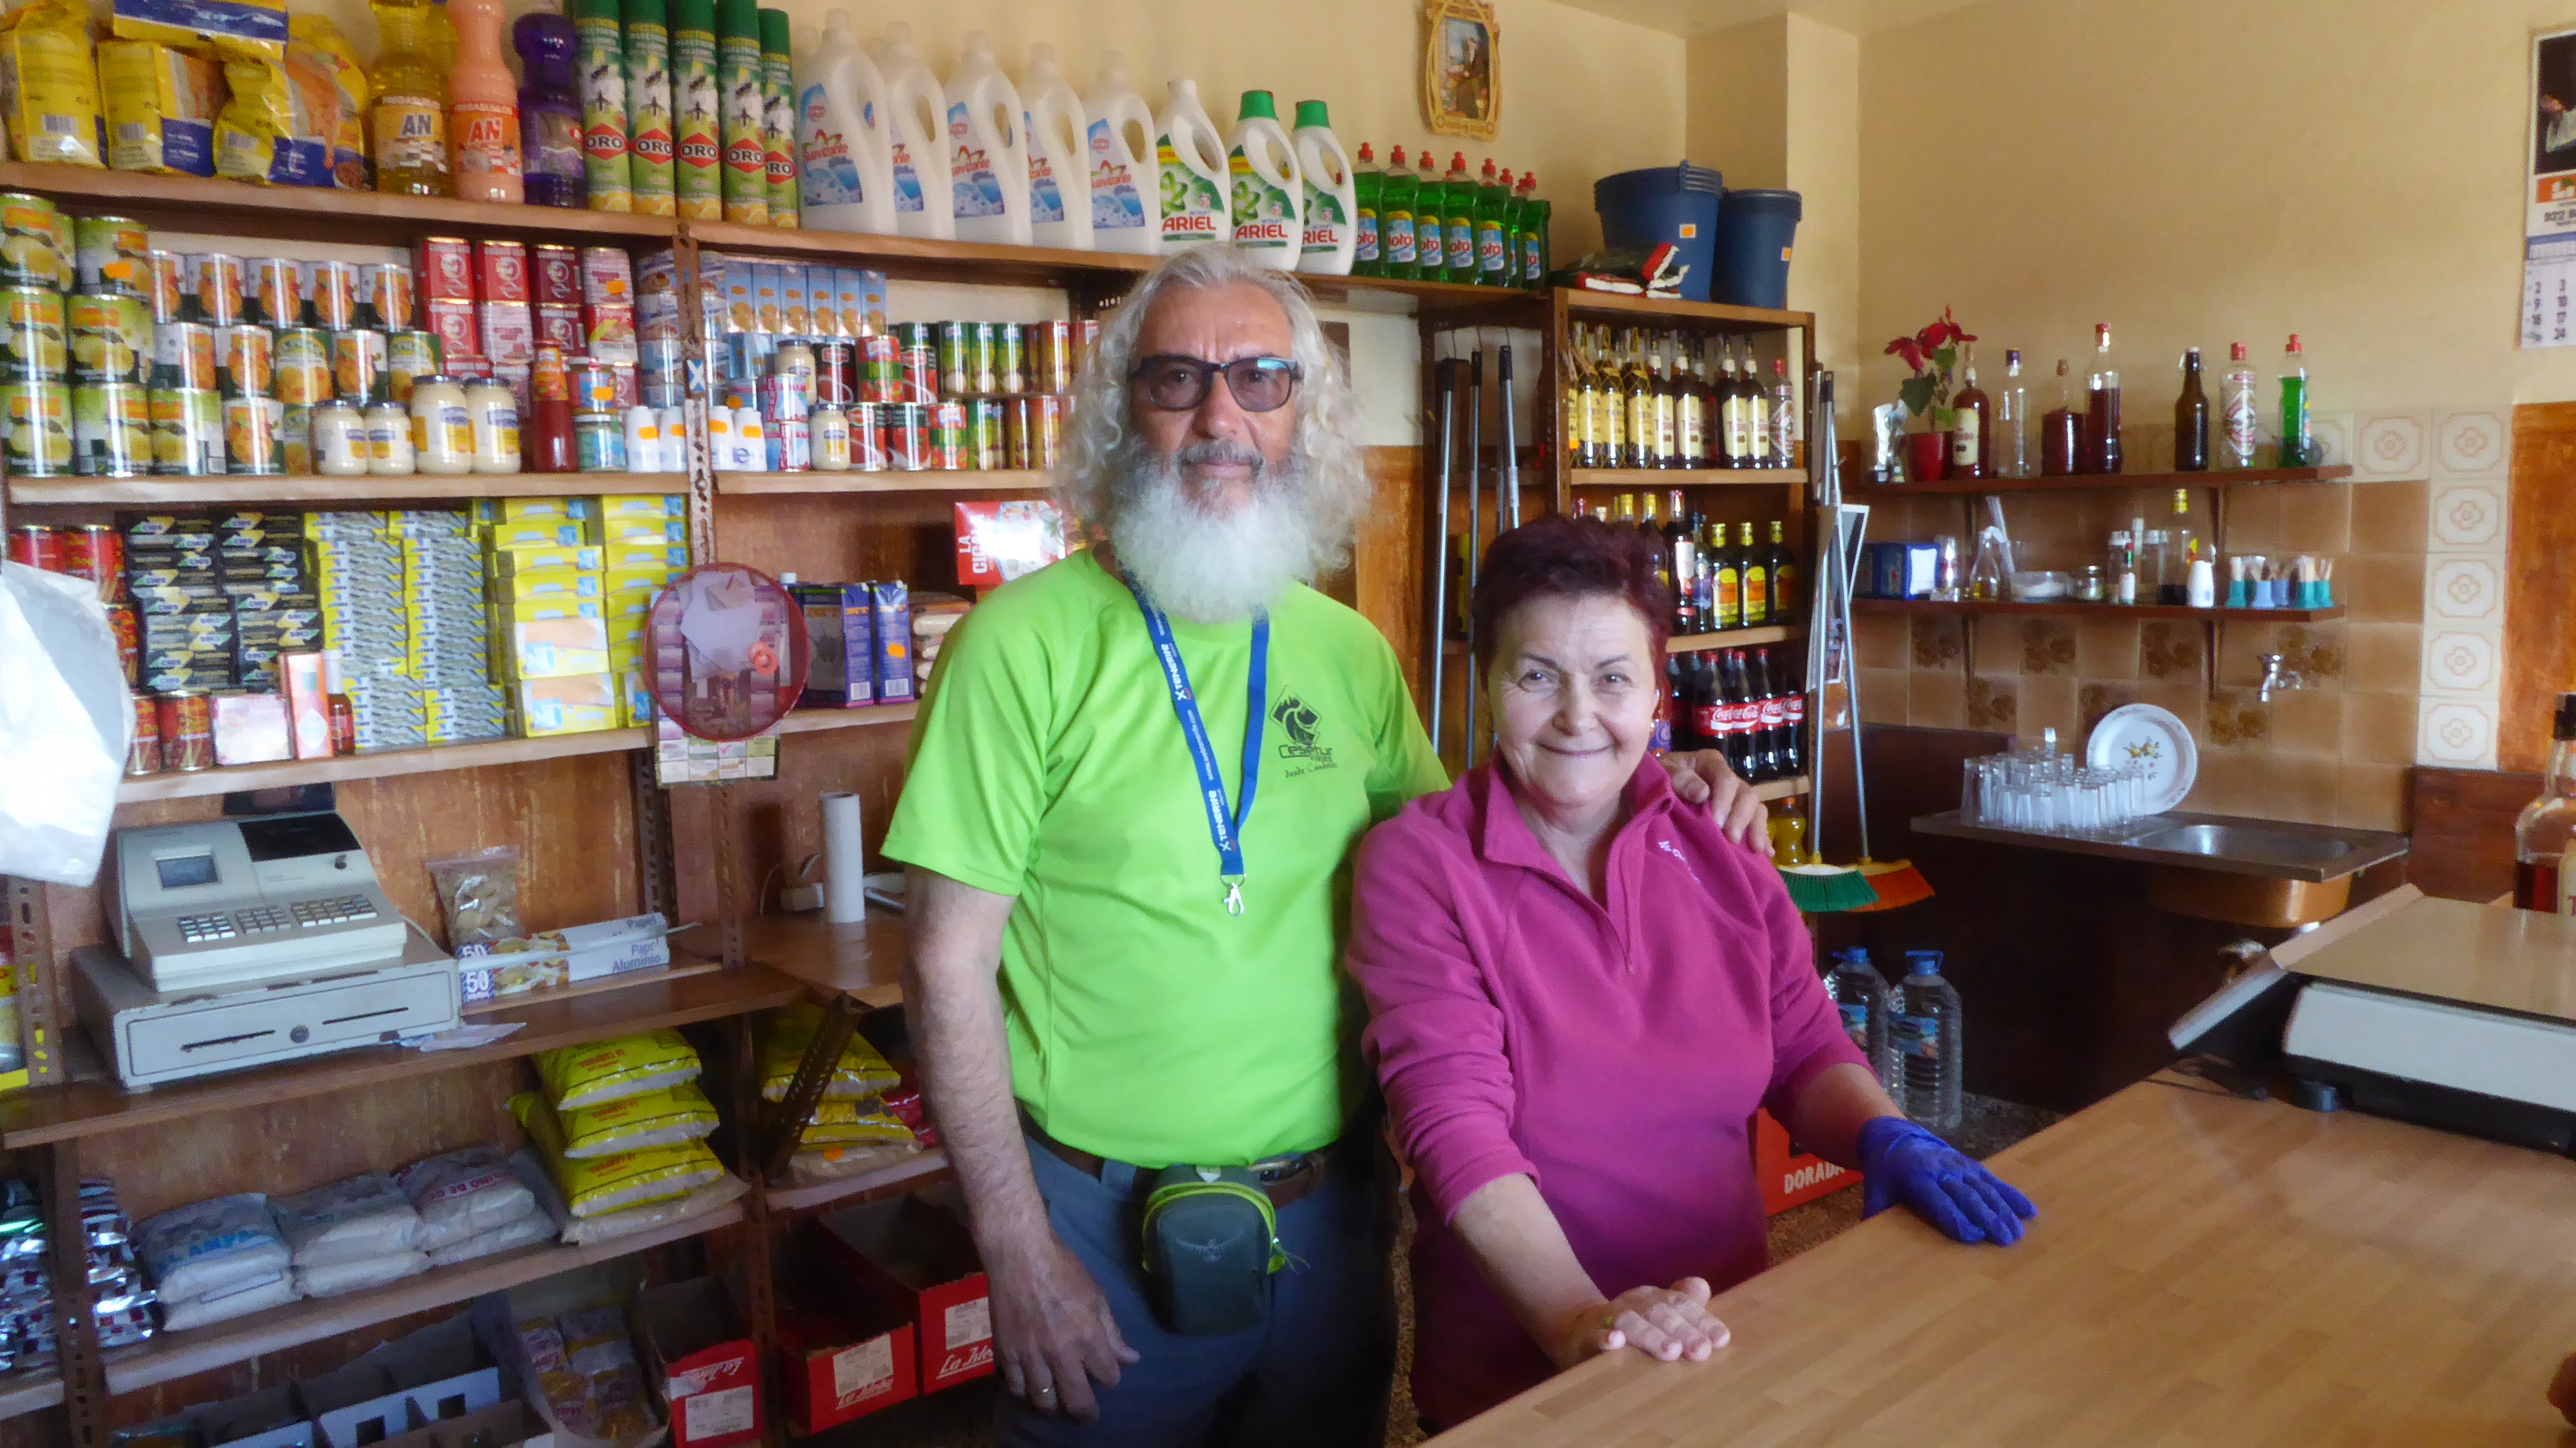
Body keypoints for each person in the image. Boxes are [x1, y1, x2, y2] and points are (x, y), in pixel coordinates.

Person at [879, 245, 1766, 1448]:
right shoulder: (1017, 645)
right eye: (1177, 378)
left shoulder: (1346, 650)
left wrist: (1663, 779)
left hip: (1333, 1222)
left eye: (1260, 379)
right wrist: (1016, 1248)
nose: (1220, 417)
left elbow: (1482, 851)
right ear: (1123, 413)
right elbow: (943, 964)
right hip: (1098, 1231)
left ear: (1304, 416)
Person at [1344, 514, 2037, 1431]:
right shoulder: (1421, 864)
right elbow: (1453, 1124)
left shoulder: (1720, 839)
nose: (1578, 715)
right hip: (1525, 1384)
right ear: (1487, 685)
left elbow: (1803, 1045)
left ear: (1657, 695)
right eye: (1537, 676)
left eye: (1613, 678)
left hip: (1725, 1344)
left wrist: (1885, 1135)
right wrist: (1578, 1319)